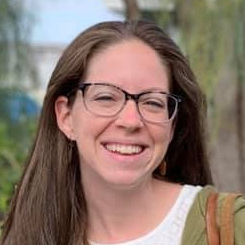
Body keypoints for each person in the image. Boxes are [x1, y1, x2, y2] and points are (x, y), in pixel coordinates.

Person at [1, 20, 244, 245]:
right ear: (66, 117)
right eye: (106, 97)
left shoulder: (230, 228)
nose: (131, 121)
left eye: (152, 102)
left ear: (172, 124)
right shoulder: (23, 235)